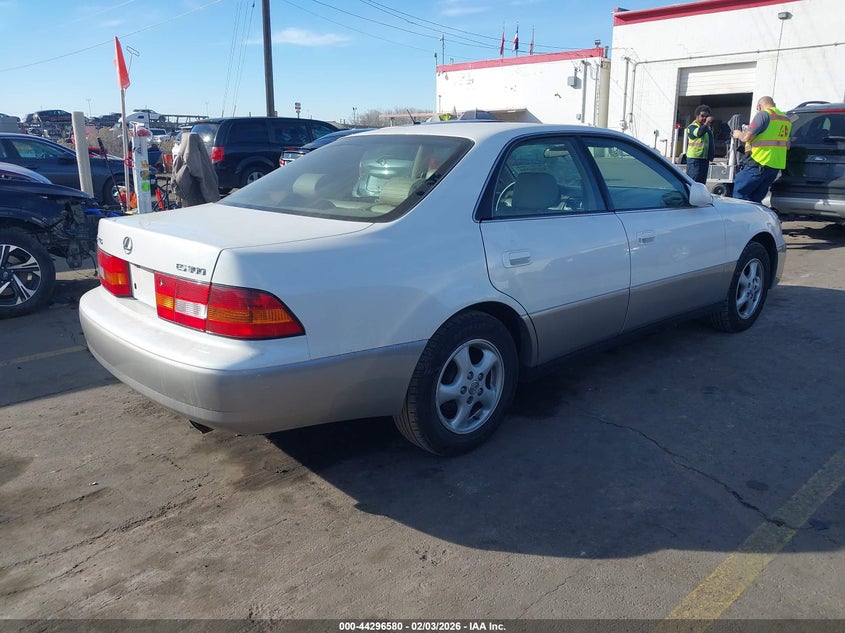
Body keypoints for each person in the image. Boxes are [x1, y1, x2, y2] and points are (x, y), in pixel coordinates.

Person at [731, 96, 792, 203]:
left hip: (758, 163)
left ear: (759, 106)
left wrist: (738, 134)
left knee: (740, 196)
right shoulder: (786, 120)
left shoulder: (764, 115)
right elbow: (787, 145)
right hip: (775, 166)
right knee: (756, 200)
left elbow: (746, 137)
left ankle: (742, 219)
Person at [685, 105, 715, 184]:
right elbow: (699, 133)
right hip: (694, 160)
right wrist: (707, 123)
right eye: (702, 116)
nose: (705, 118)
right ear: (697, 116)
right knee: (693, 184)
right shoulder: (692, 127)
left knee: (701, 185)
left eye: (707, 116)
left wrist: (710, 156)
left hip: (704, 160)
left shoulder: (707, 128)